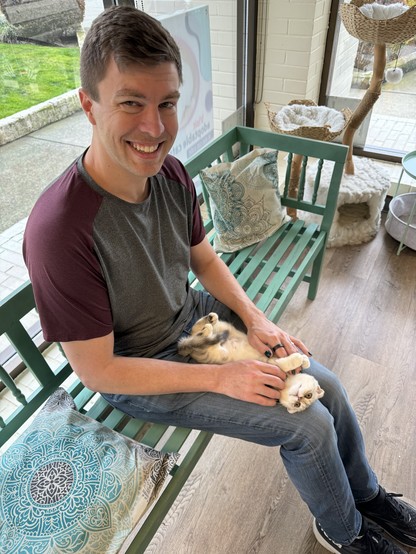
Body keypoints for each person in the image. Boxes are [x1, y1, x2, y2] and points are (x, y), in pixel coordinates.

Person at [23, 6, 415, 554]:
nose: (154, 128)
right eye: (130, 103)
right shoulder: (59, 229)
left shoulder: (170, 174)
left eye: (166, 104)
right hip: (141, 370)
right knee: (307, 428)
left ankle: (368, 496)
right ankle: (344, 531)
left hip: (195, 321)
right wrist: (220, 379)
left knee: (331, 388)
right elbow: (99, 371)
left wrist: (255, 319)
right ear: (89, 105)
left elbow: (203, 258)